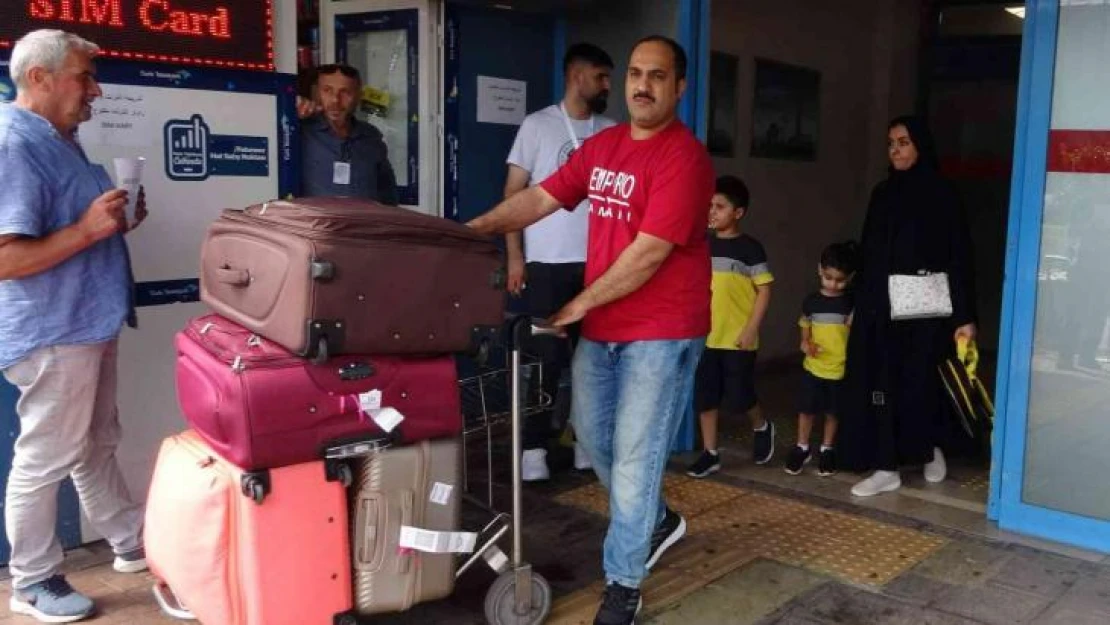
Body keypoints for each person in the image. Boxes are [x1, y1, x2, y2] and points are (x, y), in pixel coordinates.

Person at [467, 36, 714, 625]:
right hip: (606, 326)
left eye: (657, 76)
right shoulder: (604, 146)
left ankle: (623, 583)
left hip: (662, 329)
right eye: (634, 73)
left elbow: (649, 254)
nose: (642, 85)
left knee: (633, 457)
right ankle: (654, 520)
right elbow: (539, 198)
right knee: (594, 440)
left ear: (679, 88)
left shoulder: (685, 158)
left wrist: (578, 305)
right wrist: (467, 232)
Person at [0, 29, 150, 623]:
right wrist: (89, 229)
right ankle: (33, 579)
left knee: (95, 443)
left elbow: (72, 230)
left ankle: (128, 539)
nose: (96, 89)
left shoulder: (59, 139)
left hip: (87, 322)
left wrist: (113, 222)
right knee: (47, 455)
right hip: (52, 331)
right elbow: (6, 258)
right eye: (84, 76)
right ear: (39, 77)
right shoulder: (14, 142)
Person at [839, 115, 977, 497]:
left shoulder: (943, 194)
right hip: (881, 308)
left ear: (920, 145)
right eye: (891, 143)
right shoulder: (883, 193)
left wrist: (964, 316)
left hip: (927, 311)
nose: (895, 150)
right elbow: (869, 251)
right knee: (881, 384)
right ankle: (886, 466)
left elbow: (959, 255)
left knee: (921, 384)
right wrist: (856, 304)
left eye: (903, 142)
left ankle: (930, 447)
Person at [504, 42, 616, 481]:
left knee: (595, 362)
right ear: (576, 76)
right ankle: (533, 448)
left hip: (599, 269)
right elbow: (513, 195)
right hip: (547, 264)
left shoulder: (611, 132)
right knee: (544, 361)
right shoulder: (537, 126)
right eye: (601, 77)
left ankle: (586, 440)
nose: (608, 85)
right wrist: (515, 255)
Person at [686, 175, 775, 479]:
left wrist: (751, 329)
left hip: (738, 337)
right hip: (706, 336)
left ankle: (762, 425)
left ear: (738, 213)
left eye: (720, 207)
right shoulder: (700, 244)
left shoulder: (750, 249)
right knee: (706, 396)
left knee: (739, 396)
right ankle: (710, 453)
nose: (711, 212)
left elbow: (764, 290)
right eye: (709, 205)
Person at [785, 241, 858, 477]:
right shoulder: (811, 301)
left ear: (850, 278)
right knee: (806, 409)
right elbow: (805, 324)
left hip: (839, 368)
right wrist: (805, 342)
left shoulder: (850, 303)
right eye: (828, 277)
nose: (834, 284)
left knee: (833, 412)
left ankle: (827, 448)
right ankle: (802, 446)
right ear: (819, 270)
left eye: (840, 280)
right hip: (813, 367)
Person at [297, 63, 399, 205]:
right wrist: (290, 116)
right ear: (316, 93)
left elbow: (388, 195)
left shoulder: (371, 137)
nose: (335, 100)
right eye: (327, 90)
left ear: (358, 96)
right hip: (316, 225)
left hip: (364, 225)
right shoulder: (300, 131)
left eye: (345, 92)